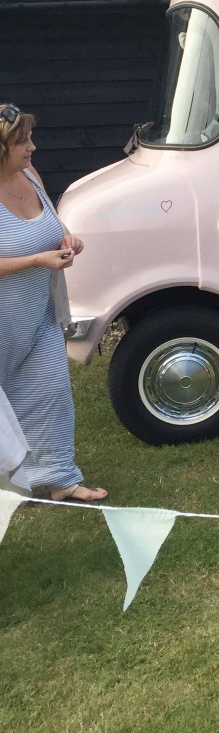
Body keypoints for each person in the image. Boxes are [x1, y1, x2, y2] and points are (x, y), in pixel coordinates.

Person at [0, 104, 108, 500]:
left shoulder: (29, 175)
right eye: (21, 142)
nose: (32, 147)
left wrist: (66, 237)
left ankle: (61, 479)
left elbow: (50, 220)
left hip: (37, 315)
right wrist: (36, 260)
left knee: (51, 394)